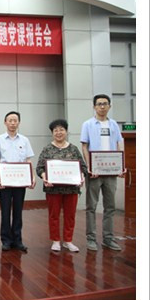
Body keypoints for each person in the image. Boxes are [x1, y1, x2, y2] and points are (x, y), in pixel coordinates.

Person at [80, 94, 126, 251]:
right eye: (99, 104)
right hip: (95, 172)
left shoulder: (114, 125)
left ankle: (108, 238)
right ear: (94, 106)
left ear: (109, 106)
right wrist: (89, 166)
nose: (102, 106)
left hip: (111, 172)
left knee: (110, 206)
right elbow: (84, 146)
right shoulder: (87, 124)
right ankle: (91, 238)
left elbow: (119, 144)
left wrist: (121, 165)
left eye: (105, 104)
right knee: (91, 206)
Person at [36, 119, 88, 252]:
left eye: (61, 130)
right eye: (55, 130)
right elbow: (39, 168)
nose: (59, 133)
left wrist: (82, 176)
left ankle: (68, 241)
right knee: (54, 215)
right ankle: (55, 241)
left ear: (66, 131)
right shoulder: (47, 149)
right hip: (53, 189)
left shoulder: (73, 149)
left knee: (70, 216)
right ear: (52, 133)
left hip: (71, 189)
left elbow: (83, 167)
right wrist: (44, 177)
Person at [0, 111, 35, 252]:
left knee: (18, 211)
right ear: (5, 122)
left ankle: (17, 240)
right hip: (5, 180)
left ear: (19, 123)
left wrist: (32, 177)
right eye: (10, 120)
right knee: (5, 211)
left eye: (15, 120)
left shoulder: (24, 140)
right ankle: (5, 240)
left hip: (20, 180)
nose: (12, 123)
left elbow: (28, 160)